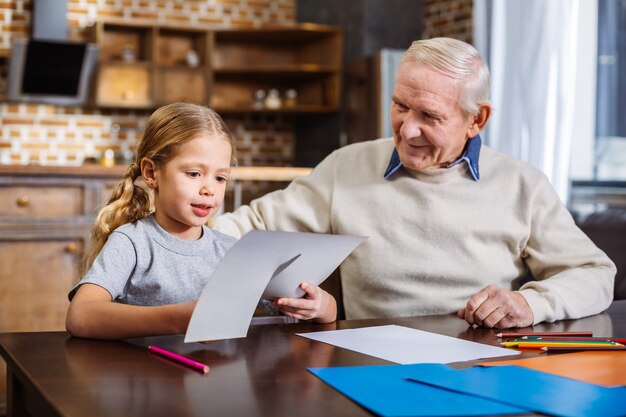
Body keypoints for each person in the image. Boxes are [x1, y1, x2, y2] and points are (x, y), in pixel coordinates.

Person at [213, 38, 616, 329]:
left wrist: (530, 303)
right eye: (400, 105)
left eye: (429, 115)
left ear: (477, 119)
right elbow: (249, 225)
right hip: (367, 361)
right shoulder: (346, 167)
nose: (407, 130)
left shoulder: (523, 184)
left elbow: (595, 274)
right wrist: (176, 231)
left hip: (483, 363)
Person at [66, 103, 337, 340]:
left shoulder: (233, 251)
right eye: (194, 173)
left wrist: (322, 306)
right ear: (151, 173)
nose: (209, 189)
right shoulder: (132, 242)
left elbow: (315, 311)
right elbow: (81, 315)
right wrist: (176, 320)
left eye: (220, 178)